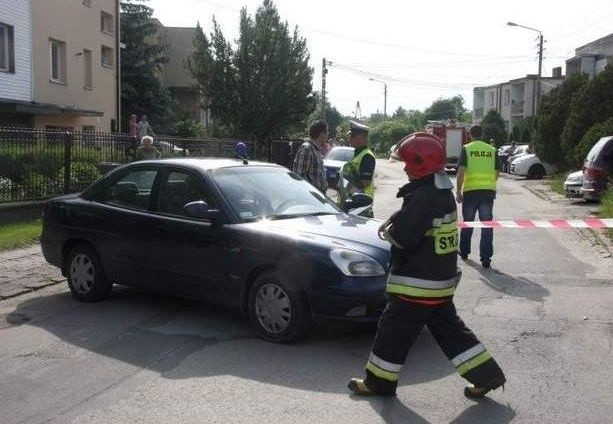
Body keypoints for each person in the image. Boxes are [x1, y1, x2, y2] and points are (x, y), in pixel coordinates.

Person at [348, 132, 506, 399]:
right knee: (452, 333)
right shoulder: (439, 191)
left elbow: (403, 237)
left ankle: (379, 383)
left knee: (392, 330)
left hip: (416, 286)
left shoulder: (425, 197)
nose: (406, 168)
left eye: (409, 163)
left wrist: (392, 229)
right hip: (438, 284)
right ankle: (487, 376)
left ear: (421, 165)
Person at [456, 125, 500, 268]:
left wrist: (458, 191)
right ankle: (486, 258)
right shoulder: (492, 150)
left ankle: (464, 251)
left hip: (471, 192)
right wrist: (490, 183)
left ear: (470, 134)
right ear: (482, 134)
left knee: (468, 223)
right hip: (487, 192)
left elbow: (461, 172)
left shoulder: (467, 149)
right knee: (487, 225)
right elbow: (497, 172)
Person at [341, 121, 376, 214]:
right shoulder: (357, 154)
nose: (350, 139)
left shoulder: (367, 156)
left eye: (352, 136)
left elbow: (365, 182)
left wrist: (344, 183)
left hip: (361, 206)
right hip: (352, 204)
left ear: (361, 138)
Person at [292, 120, 328, 192]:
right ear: (321, 134)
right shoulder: (307, 148)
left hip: (319, 196)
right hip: (312, 197)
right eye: (326, 132)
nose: (327, 135)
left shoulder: (315, 150)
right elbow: (299, 176)